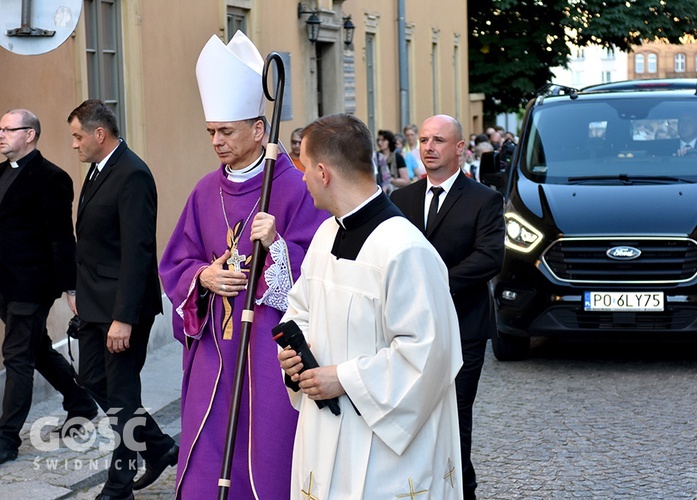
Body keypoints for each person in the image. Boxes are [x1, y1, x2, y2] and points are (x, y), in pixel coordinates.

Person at [158, 31, 327, 499]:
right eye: (211, 131)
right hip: (215, 342)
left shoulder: (295, 188)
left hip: (270, 346)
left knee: (267, 450)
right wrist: (203, 276)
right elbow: (177, 262)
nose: (216, 141)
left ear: (258, 129)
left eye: (226, 131)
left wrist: (276, 248)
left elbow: (321, 265)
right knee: (207, 448)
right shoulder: (202, 190)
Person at [278, 113, 463, 498]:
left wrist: (343, 378)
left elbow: (428, 355)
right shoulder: (327, 233)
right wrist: (295, 356)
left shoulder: (404, 249)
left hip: (384, 446)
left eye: (305, 166)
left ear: (324, 172)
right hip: (325, 428)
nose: (302, 177)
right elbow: (301, 310)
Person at [390, 114, 504, 500]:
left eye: (438, 140)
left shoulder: (484, 199)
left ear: (459, 148)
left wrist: (433, 284)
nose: (428, 147)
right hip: (408, 329)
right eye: (423, 139)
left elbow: (490, 258)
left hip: (463, 326)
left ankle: (460, 490)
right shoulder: (400, 199)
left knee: (456, 417)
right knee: (415, 416)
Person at [68, 99, 177, 500]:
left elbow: (138, 250)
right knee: (92, 380)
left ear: (100, 134)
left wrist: (125, 318)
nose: (75, 145)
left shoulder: (132, 174)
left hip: (123, 308)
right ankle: (161, 447)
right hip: (96, 303)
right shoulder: (97, 171)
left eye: (78, 136)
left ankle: (118, 488)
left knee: (124, 397)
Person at [0, 109, 98, 465]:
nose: (2, 135)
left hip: (32, 284)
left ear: (30, 134)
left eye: (9, 129)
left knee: (17, 356)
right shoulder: (0, 173)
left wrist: (70, 287)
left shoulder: (51, 178)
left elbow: (61, 236)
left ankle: (6, 438)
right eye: (1, 129)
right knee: (36, 348)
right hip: (5, 285)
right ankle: (79, 400)